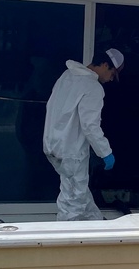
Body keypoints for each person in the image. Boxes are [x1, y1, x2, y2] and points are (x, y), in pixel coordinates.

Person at [42, 47, 124, 220]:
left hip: (53, 144)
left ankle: (99, 229)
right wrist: (106, 152)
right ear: (104, 65)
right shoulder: (93, 87)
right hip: (72, 152)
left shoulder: (67, 76)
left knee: (81, 197)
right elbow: (90, 126)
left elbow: (52, 106)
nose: (111, 80)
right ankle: (67, 243)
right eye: (112, 74)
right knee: (73, 205)